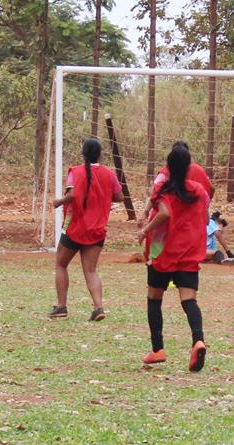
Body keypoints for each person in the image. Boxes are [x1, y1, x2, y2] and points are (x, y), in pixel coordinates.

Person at [138, 141, 209, 371]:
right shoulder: (198, 190)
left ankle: (157, 349)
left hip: (163, 251)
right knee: (189, 300)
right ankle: (198, 340)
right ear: (189, 167)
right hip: (189, 252)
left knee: (154, 298)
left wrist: (145, 230)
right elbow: (206, 218)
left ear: (168, 165)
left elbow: (165, 213)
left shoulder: (163, 189)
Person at [49, 138, 125, 321]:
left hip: (75, 227)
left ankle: (61, 306)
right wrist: (103, 196)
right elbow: (120, 196)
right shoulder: (109, 174)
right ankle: (99, 307)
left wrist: (60, 201)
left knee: (61, 264)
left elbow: (73, 194)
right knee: (90, 270)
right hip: (97, 230)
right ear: (100, 154)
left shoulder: (76, 172)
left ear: (83, 154)